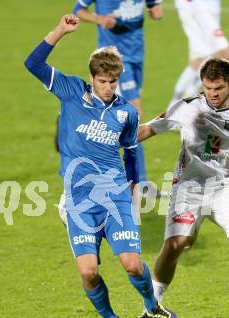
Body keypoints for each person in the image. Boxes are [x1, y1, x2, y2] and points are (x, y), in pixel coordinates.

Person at [24, 14, 179, 318]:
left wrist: (137, 185)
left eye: (114, 82)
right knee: (89, 273)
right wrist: (61, 31)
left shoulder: (126, 112)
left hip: (115, 198)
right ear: (92, 78)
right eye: (104, 81)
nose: (109, 88)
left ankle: (152, 306)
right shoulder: (71, 91)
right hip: (79, 202)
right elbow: (32, 63)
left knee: (133, 264)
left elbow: (131, 150)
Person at [128, 58, 229, 318]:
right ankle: (151, 308)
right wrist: (118, 143)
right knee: (175, 244)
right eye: (208, 88)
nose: (213, 94)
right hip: (188, 188)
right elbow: (149, 127)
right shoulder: (188, 108)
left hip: (225, 188)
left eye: (218, 88)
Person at [72, 0, 164, 191]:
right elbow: (78, 10)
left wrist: (155, 10)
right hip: (115, 60)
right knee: (135, 115)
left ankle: (136, 181)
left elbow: (155, 8)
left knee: (127, 122)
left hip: (137, 54)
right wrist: (99, 19)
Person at [169, 0, 229, 107]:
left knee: (201, 58)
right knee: (222, 53)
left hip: (208, 8)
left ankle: (181, 101)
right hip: (198, 8)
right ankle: (183, 98)